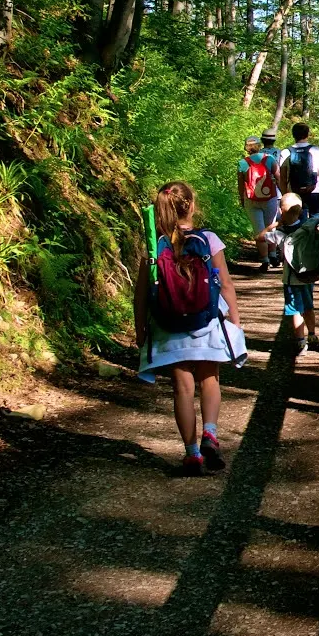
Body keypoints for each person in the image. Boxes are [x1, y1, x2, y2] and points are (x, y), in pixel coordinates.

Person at [134, 181, 247, 475]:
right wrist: (234, 318)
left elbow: (142, 294)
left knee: (182, 387)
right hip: (206, 321)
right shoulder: (208, 239)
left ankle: (192, 453)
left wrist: (140, 330)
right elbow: (226, 284)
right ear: (192, 206)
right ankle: (210, 434)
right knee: (210, 379)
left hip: (167, 325)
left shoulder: (154, 245)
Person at [274, 192, 319, 354]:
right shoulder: (308, 229)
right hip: (307, 276)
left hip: (291, 279)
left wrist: (273, 226)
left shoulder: (279, 233)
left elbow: (259, 237)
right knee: (309, 307)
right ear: (301, 210)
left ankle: (300, 341)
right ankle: (312, 335)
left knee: (295, 309)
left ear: (281, 211)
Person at [238, 137, 282, 271]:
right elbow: (279, 177)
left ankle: (264, 260)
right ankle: (273, 254)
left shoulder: (243, 163)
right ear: (259, 146)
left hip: (251, 200)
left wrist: (242, 199)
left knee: (259, 230)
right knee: (271, 226)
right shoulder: (269, 159)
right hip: (270, 198)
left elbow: (241, 185)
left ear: (246, 147)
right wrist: (285, 194)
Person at [282, 122, 319, 213]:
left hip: (293, 192)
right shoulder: (317, 150)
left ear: (293, 135)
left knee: (296, 220)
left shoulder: (286, 152)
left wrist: (285, 195)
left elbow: (282, 177)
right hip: (315, 192)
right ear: (307, 134)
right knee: (315, 219)